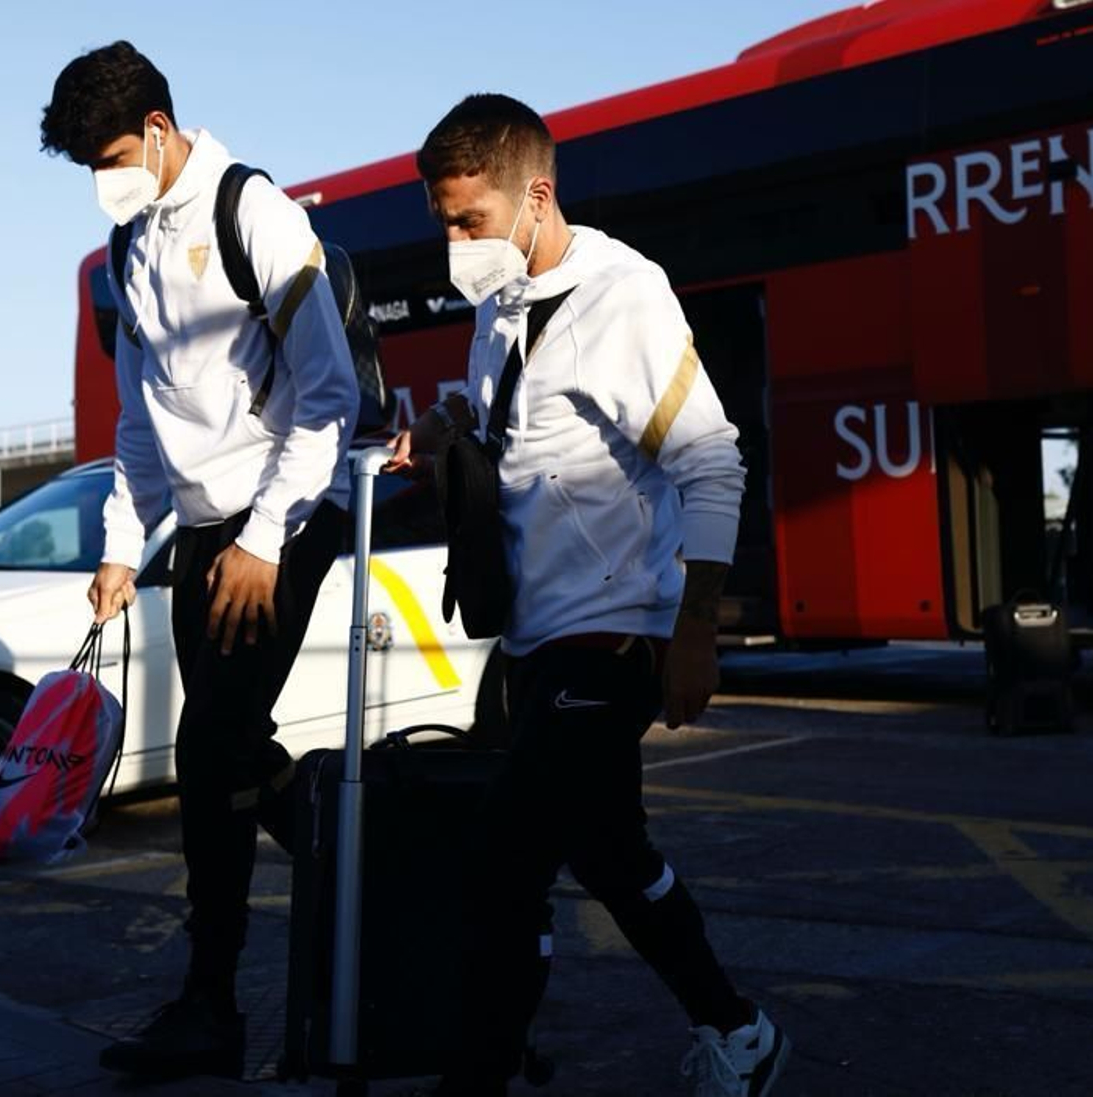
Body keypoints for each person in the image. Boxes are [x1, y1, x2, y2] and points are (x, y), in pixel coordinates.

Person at [387, 94, 790, 1097]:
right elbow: (506, 426)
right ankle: (738, 1030)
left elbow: (713, 462)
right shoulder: (501, 307)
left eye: (467, 220)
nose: (453, 242)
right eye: (441, 220)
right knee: (608, 852)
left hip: (610, 639)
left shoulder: (623, 297)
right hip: (533, 635)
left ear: (536, 196)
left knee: (502, 859)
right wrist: (442, 428)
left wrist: (693, 632)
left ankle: (473, 1078)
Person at [40, 41, 359, 1078]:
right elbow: (141, 423)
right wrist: (123, 548)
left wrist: (264, 541)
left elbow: (328, 393)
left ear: (163, 131)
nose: (104, 177)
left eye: (112, 153)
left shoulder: (253, 214)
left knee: (220, 742)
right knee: (208, 758)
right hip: (204, 529)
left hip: (290, 512)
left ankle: (331, 883)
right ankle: (314, 878)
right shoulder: (134, 250)